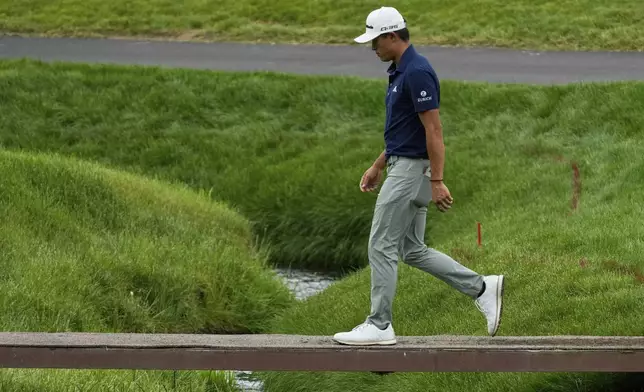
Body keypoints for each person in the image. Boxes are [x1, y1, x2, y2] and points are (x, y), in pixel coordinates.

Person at [332, 6, 505, 346]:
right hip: (401, 165)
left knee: (380, 245)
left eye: (376, 41)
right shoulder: (400, 71)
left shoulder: (417, 72)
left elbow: (434, 130)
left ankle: (379, 325)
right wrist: (379, 164)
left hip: (412, 172)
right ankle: (482, 288)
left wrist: (437, 180)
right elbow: (406, 130)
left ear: (392, 36)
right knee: (412, 249)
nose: (373, 48)